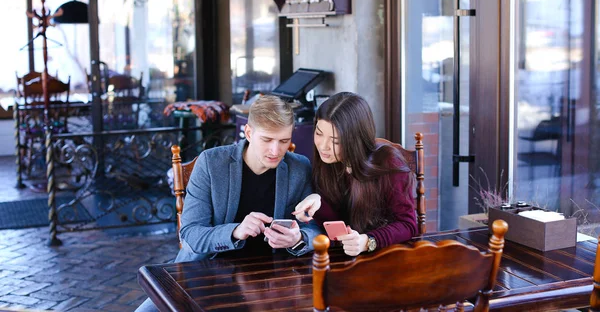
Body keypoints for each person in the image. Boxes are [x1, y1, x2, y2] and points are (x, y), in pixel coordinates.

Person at [136, 95, 320, 312]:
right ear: (249, 133)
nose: (276, 151)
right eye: (267, 140)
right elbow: (191, 234)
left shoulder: (299, 168)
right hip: (205, 273)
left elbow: (314, 230)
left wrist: (298, 238)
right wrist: (235, 231)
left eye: (283, 141)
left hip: (272, 280)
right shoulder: (211, 163)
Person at [293, 92, 417, 256]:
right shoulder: (328, 163)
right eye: (319, 133)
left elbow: (408, 225)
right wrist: (318, 201)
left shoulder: (388, 162)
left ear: (355, 139)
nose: (323, 146)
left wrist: (368, 241)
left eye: (335, 141)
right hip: (347, 259)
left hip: (388, 257)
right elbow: (337, 229)